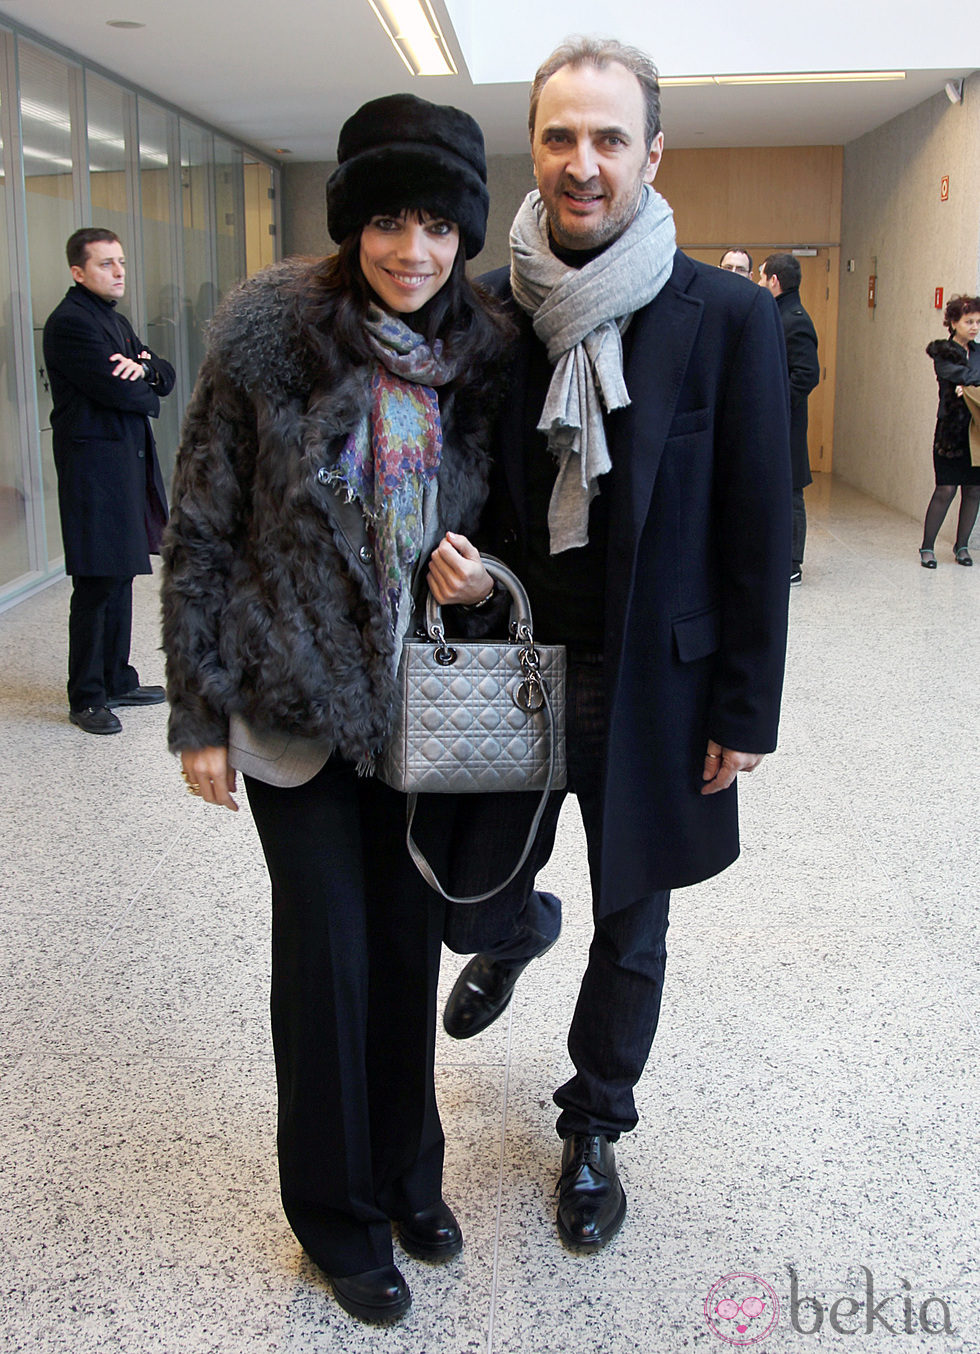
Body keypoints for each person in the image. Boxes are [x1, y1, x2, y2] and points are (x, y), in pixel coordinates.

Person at [436, 36, 792, 1254]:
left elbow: (759, 522)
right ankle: (511, 935)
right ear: (532, 146)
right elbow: (458, 484)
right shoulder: (486, 311)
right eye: (557, 138)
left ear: (651, 152)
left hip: (662, 684)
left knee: (633, 920)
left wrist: (743, 712)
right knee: (468, 896)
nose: (580, 164)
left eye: (606, 139)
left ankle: (594, 1122)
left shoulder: (728, 319)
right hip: (516, 671)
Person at [160, 94, 511, 1324]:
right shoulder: (269, 336)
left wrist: (475, 588)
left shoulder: (485, 355)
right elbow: (199, 525)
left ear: (464, 234)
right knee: (325, 966)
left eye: (434, 225)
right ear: (349, 223)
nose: (410, 250)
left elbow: (505, 539)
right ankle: (337, 1215)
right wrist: (196, 709)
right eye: (385, 221)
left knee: (404, 958)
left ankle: (410, 1177)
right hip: (292, 710)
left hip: (421, 719)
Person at [43, 228, 174, 734]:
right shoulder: (72, 323)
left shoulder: (112, 320)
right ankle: (87, 695)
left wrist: (144, 369)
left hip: (123, 466)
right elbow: (133, 396)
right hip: (94, 471)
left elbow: (162, 372)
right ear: (78, 271)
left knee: (121, 573)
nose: (118, 272)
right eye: (105, 264)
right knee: (97, 581)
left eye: (120, 262)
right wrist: (145, 381)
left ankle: (117, 677)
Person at [759, 253, 820, 585]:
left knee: (791, 491)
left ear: (774, 281)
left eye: (761, 276)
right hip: (774, 422)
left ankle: (792, 563)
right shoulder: (777, 314)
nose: (758, 282)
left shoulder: (795, 320)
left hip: (786, 423)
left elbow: (807, 374)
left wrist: (774, 404)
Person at [921, 295, 980, 567]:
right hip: (951, 432)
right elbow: (959, 376)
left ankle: (962, 546)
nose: (974, 327)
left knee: (974, 489)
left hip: (976, 431)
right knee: (945, 489)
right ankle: (927, 547)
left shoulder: (978, 352)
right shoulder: (943, 351)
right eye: (969, 321)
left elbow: (968, 380)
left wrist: (967, 387)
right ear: (953, 322)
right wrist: (967, 384)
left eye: (978, 322)